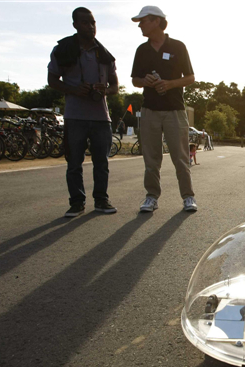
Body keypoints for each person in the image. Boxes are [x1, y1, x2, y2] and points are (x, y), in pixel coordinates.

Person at [48, 7, 119, 218]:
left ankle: (101, 199)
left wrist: (104, 90)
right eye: (85, 22)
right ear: (75, 25)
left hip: (100, 117)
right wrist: (74, 90)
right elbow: (52, 80)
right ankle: (77, 202)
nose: (90, 26)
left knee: (102, 163)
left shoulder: (105, 54)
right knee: (74, 163)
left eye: (93, 22)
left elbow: (115, 86)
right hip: (75, 115)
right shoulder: (63, 50)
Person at [131, 6, 197, 213]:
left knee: (180, 157)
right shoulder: (142, 50)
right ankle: (151, 197)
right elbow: (135, 80)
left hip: (174, 110)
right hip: (149, 110)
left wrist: (169, 84)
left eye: (143, 21)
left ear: (156, 21)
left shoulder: (178, 46)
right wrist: (146, 81)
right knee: (151, 159)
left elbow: (190, 78)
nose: (140, 25)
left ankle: (188, 197)